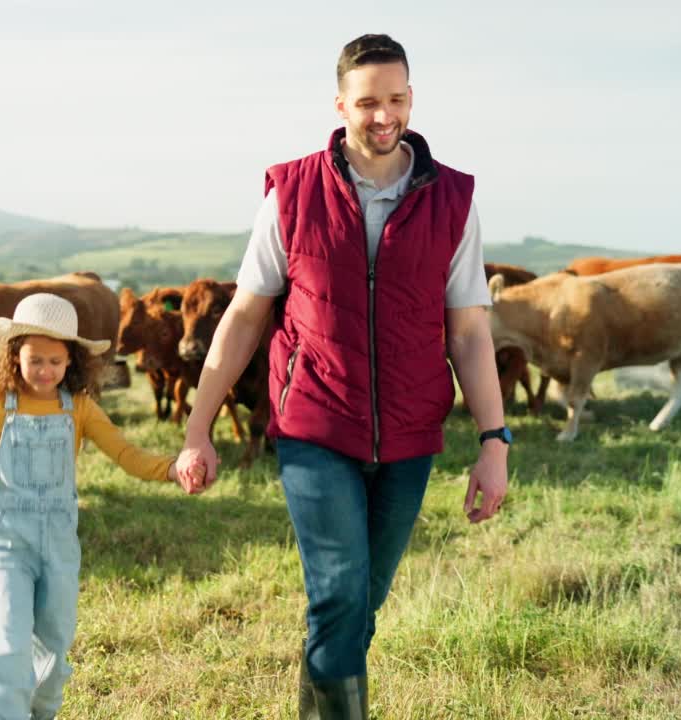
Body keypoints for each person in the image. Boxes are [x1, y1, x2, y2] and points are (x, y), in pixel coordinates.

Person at [174, 34, 510, 717]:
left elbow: (470, 332)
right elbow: (244, 316)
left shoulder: (453, 200)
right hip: (315, 425)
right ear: (340, 106)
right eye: (367, 103)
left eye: (395, 100)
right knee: (337, 594)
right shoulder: (292, 192)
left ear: (411, 98)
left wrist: (494, 440)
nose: (382, 117)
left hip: (411, 435)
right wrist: (197, 428)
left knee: (358, 604)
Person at [0, 293, 187, 720]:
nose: (45, 371)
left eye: (55, 361)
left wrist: (172, 469)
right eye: (35, 360)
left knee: (53, 648)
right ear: (14, 356)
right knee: (10, 645)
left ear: (71, 363)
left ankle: (40, 712)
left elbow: (125, 453)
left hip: (59, 544)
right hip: (4, 539)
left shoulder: (80, 408)